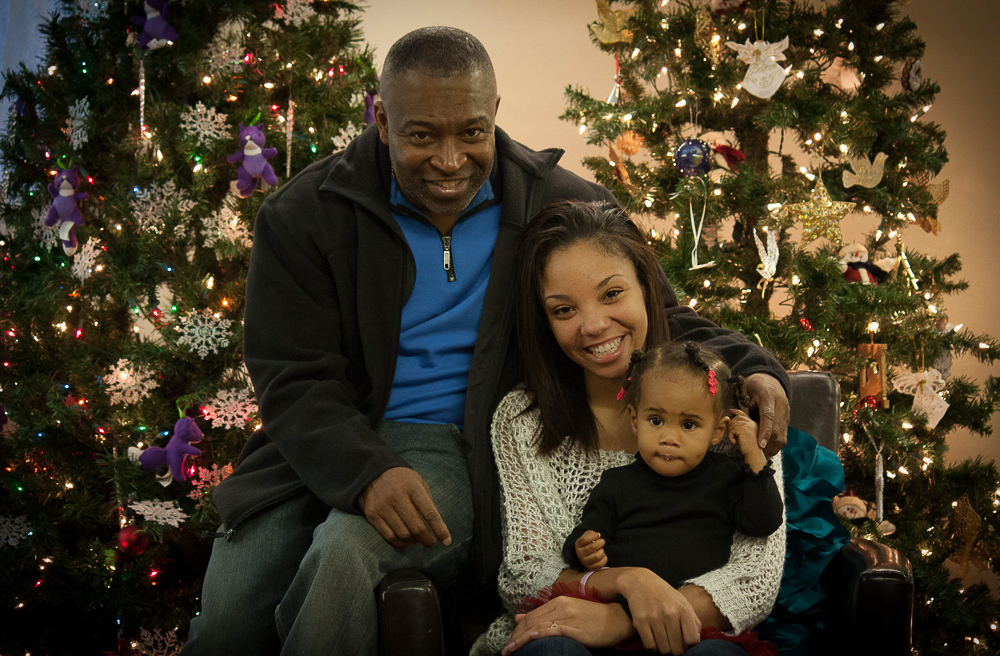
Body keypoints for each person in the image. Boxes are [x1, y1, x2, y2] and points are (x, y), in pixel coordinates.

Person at [181, 27, 628, 656]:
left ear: (494, 113)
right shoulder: (305, 213)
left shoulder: (560, 204)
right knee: (228, 623)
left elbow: (652, 311)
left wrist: (754, 368)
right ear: (383, 119)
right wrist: (366, 470)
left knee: (344, 556)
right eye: (422, 136)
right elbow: (291, 375)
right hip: (318, 444)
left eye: (471, 132)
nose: (450, 159)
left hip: (464, 448)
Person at [474, 200, 789, 656]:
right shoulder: (523, 420)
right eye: (563, 310)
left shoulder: (728, 408)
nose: (594, 325)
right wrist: (626, 582)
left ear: (646, 287)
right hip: (573, 633)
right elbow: (524, 575)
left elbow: (754, 578)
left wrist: (625, 620)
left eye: (611, 294)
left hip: (692, 636)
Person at [559, 342, 784, 653]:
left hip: (696, 632)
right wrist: (583, 550)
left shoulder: (726, 476)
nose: (669, 438)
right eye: (656, 420)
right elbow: (581, 540)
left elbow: (763, 522)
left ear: (717, 431)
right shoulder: (617, 483)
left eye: (689, 425)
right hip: (621, 629)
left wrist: (754, 453)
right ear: (635, 419)